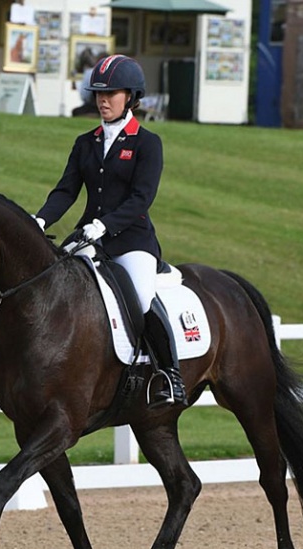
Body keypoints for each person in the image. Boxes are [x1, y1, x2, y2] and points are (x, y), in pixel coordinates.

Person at [35, 54, 187, 408]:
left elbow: (141, 198)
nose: (103, 101)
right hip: (89, 239)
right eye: (98, 94)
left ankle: (170, 374)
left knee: (143, 298)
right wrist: (40, 221)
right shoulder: (85, 142)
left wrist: (105, 224)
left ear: (131, 96)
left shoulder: (147, 143)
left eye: (112, 93)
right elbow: (66, 191)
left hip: (132, 240)